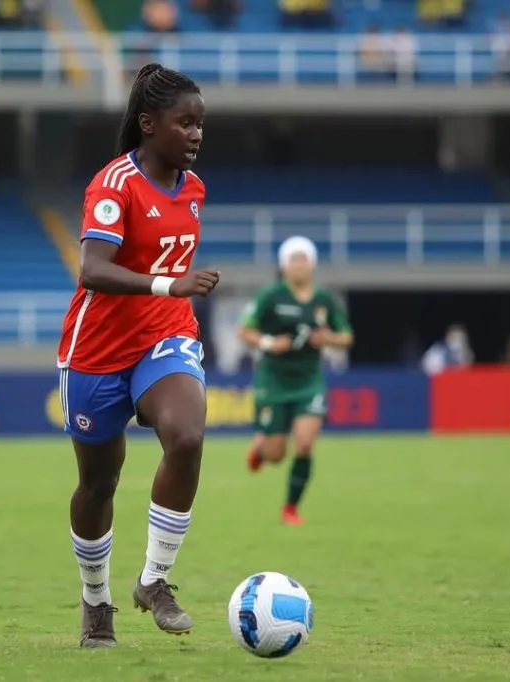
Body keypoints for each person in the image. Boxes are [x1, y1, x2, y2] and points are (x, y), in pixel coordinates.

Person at [57, 63, 219, 649]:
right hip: (97, 351)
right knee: (98, 485)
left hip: (164, 336)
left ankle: (155, 580)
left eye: (200, 124)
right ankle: (95, 601)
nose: (196, 135)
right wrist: (169, 285)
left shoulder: (193, 189)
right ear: (149, 124)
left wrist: (171, 299)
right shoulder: (113, 185)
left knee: (187, 436)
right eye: (185, 123)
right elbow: (93, 270)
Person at [237, 236, 353, 526]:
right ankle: (261, 449)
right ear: (284, 266)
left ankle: (290, 507)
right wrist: (269, 343)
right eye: (294, 260)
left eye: (304, 260)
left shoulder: (324, 299)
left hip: (309, 380)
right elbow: (244, 331)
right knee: (275, 454)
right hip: (273, 379)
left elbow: (346, 337)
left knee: (304, 444)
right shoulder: (271, 296)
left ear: (312, 264)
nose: (300, 265)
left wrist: (328, 339)